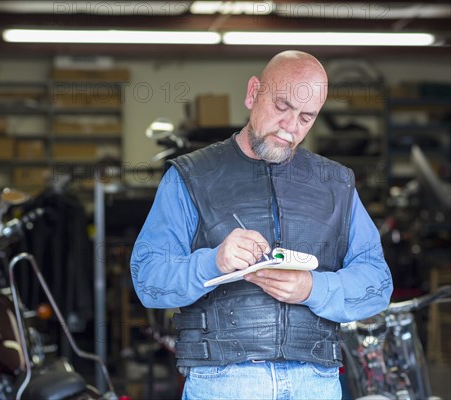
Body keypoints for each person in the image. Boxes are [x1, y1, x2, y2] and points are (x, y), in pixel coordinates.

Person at [130, 50, 393, 399]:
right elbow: (148, 279)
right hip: (223, 383)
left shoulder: (336, 183)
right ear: (254, 92)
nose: (290, 127)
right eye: (282, 107)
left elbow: (378, 282)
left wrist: (313, 288)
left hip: (315, 383)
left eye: (306, 117)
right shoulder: (191, 176)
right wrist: (214, 262)